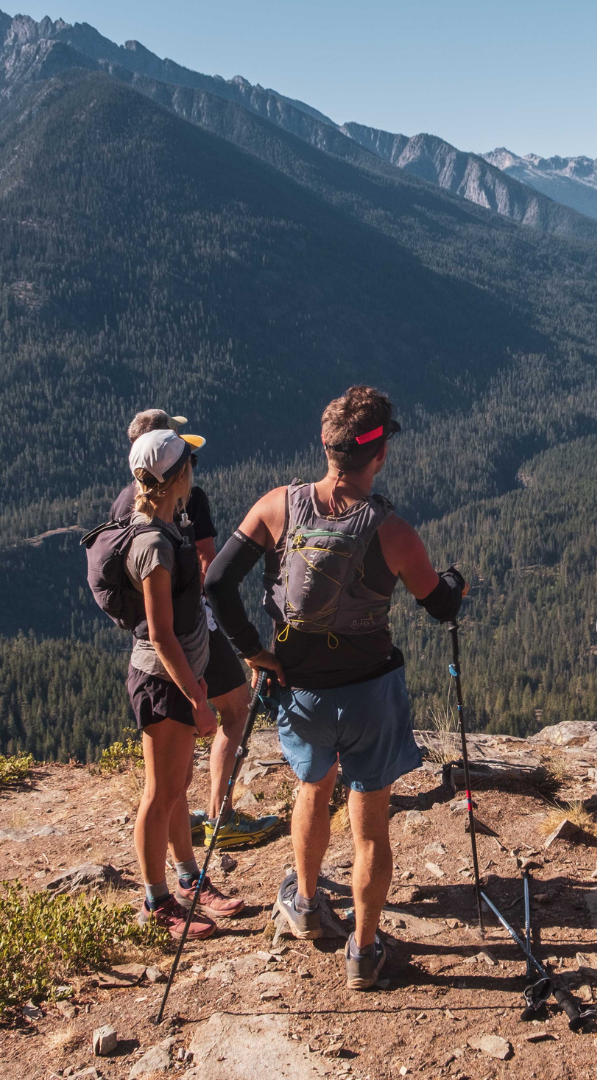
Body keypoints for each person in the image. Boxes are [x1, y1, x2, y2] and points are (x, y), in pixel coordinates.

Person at [205, 386, 466, 989]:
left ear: (326, 447)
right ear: (378, 455)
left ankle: (303, 905)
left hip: (299, 690)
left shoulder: (278, 507)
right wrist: (456, 583)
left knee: (311, 789)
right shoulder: (392, 532)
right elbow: (438, 604)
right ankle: (365, 950)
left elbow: (217, 583)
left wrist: (256, 653)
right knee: (371, 822)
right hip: (370, 692)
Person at [110, 411, 264, 847]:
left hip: (155, 639)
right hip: (186, 634)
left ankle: (185, 866)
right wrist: (231, 639)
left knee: (168, 783)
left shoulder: (127, 504)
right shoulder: (179, 510)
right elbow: (208, 569)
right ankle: (219, 817)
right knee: (234, 711)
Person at [119, 426, 235, 938]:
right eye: (190, 463)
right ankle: (155, 902)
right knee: (160, 794)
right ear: (178, 476)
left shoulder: (163, 528)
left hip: (174, 678)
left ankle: (187, 878)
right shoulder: (153, 543)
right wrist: (198, 699)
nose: (194, 471)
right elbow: (162, 635)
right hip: (165, 682)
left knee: (175, 787)